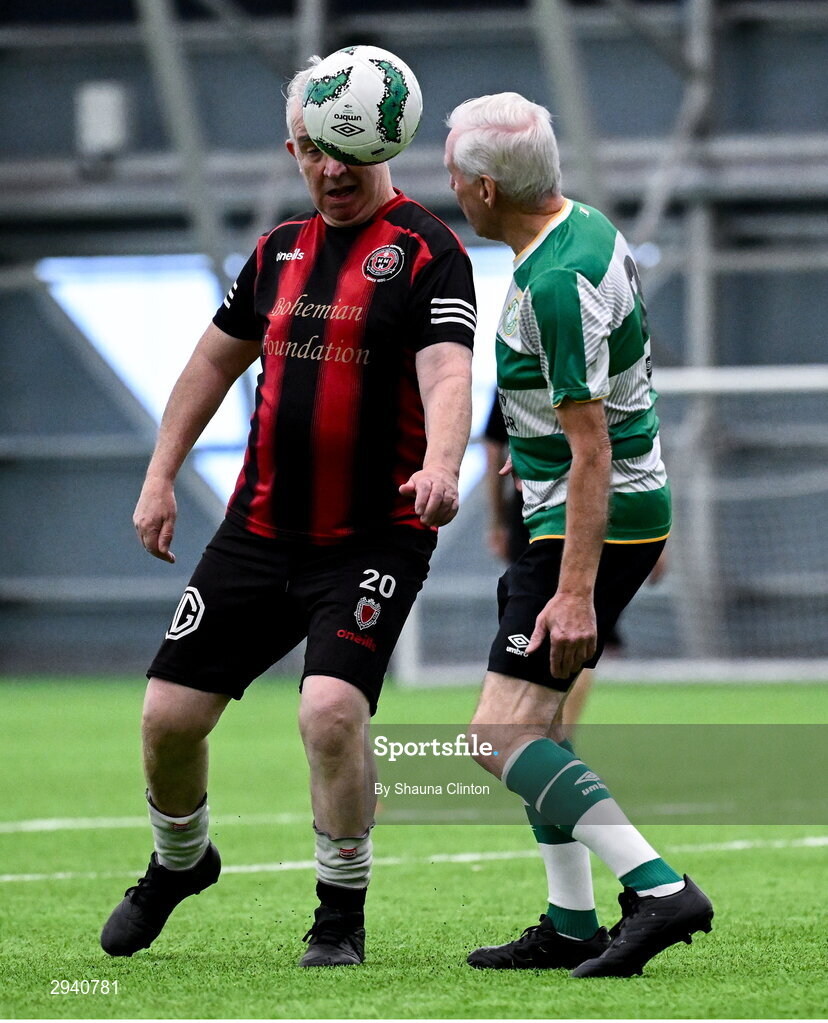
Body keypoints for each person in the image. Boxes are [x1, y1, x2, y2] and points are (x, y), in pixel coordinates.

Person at [99, 54, 475, 968]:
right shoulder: (276, 251)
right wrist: (159, 476)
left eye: (346, 154)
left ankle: (338, 916)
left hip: (372, 537)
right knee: (166, 719)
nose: (331, 172)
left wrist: (441, 460)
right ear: (294, 149)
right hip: (259, 533)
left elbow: (450, 370)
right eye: (313, 154)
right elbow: (208, 366)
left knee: (331, 710)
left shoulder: (427, 249)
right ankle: (180, 862)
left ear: (381, 145)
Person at [444, 92, 712, 978]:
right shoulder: (588, 227)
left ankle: (661, 887)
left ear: (486, 187)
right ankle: (570, 922)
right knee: (542, 726)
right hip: (594, 507)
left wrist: (571, 589)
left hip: (580, 522)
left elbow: (592, 450)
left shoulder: (550, 283)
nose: (449, 185)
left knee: (499, 736)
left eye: (453, 171)